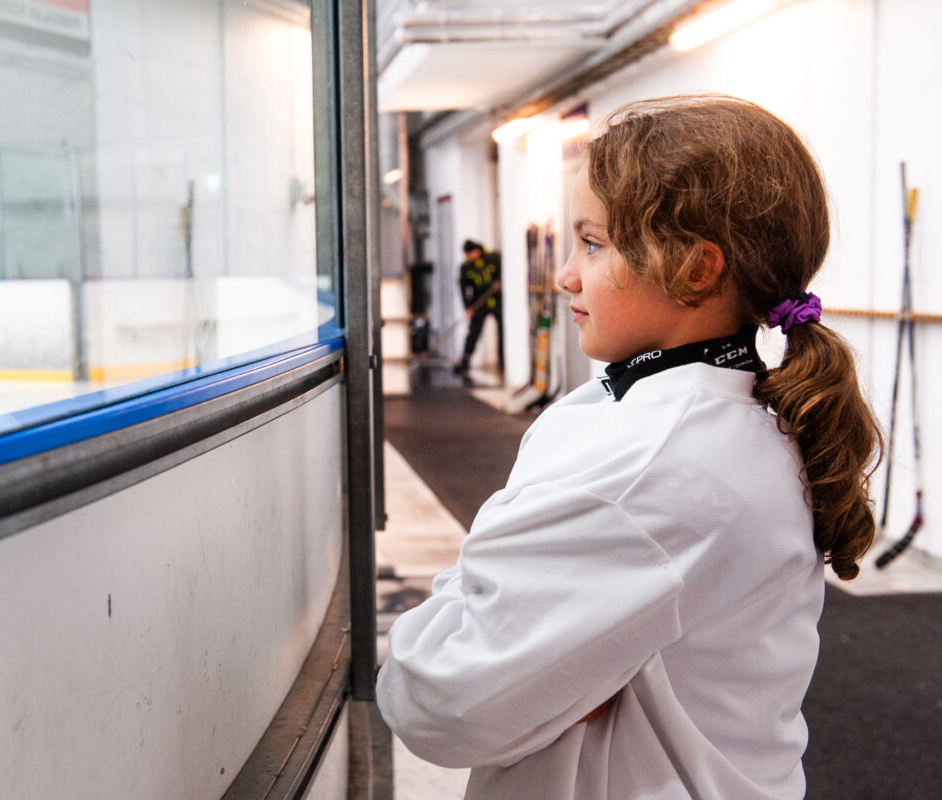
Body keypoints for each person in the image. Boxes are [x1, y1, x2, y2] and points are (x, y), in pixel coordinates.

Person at [376, 95, 882, 799]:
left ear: (696, 269)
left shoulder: (652, 466)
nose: (565, 277)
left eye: (593, 243)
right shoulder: (719, 417)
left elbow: (431, 697)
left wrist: (476, 600)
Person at [456, 239, 504, 380]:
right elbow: (463, 288)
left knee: (503, 331)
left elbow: (504, 270)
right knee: (474, 332)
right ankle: (465, 362)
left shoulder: (493, 258)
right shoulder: (466, 267)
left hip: (496, 301)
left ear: (476, 251)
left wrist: (499, 281)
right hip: (479, 303)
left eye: (469, 254)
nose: (468, 257)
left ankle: (503, 363)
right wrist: (468, 308)